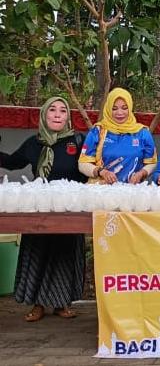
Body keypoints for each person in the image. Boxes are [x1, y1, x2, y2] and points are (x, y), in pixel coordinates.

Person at [0, 97, 86, 321]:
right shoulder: (34, 143)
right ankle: (37, 305)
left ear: (68, 117)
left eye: (63, 111)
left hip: (69, 210)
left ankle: (61, 304)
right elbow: (12, 163)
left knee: (64, 255)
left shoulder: (78, 141)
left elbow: (89, 169)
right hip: (39, 210)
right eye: (52, 110)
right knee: (38, 253)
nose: (57, 114)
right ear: (44, 115)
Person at [78, 88, 157, 184]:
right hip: (100, 189)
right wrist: (102, 172)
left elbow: (152, 163)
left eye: (124, 108)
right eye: (114, 108)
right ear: (108, 108)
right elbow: (82, 164)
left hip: (133, 190)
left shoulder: (142, 133)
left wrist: (141, 173)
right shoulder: (98, 131)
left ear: (130, 108)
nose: (120, 113)